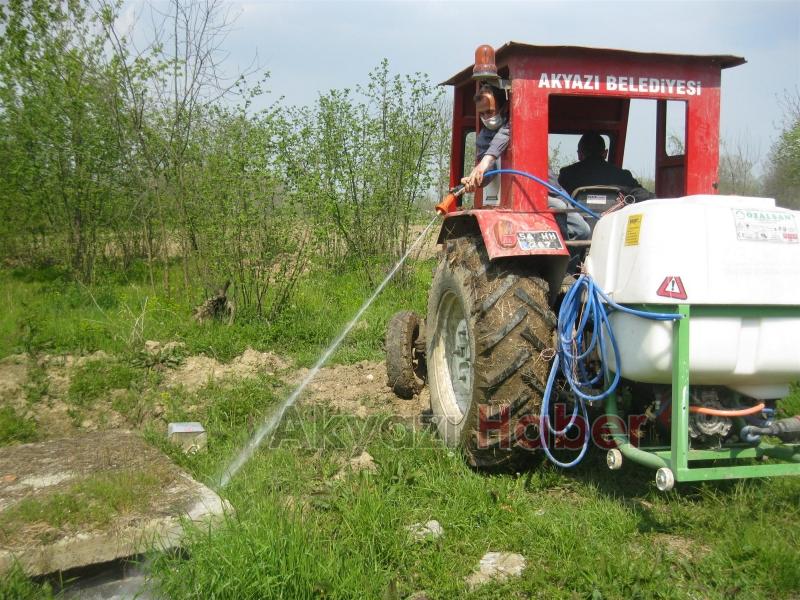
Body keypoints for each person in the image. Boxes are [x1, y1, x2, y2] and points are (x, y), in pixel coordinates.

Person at [558, 133, 645, 196]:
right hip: (613, 221)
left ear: (579, 154)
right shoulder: (623, 176)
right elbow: (642, 195)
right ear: (605, 153)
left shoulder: (566, 174)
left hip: (577, 221)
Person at [461, 85, 509, 193]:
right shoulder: (483, 138)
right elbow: (491, 170)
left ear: (505, 107)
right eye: (482, 114)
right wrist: (476, 179)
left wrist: (485, 162)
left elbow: (504, 134)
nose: (486, 118)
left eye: (489, 112)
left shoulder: (514, 123)